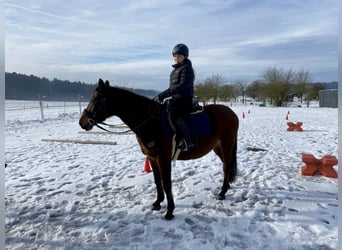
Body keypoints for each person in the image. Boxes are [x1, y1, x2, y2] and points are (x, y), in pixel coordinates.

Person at [155, 43, 196, 151]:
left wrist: (166, 94)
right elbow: (173, 87)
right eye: (175, 56)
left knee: (175, 115)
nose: (176, 58)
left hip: (185, 99)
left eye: (179, 56)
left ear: (185, 56)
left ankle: (188, 141)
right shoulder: (174, 70)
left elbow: (183, 85)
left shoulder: (187, 69)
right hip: (176, 99)